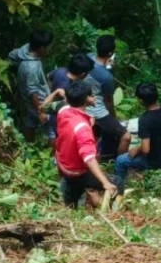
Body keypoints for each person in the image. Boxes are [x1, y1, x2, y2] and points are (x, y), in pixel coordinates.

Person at [113, 83, 161, 199]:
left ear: (140, 100)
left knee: (120, 161)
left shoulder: (145, 120)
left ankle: (118, 192)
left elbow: (145, 149)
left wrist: (137, 149)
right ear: (157, 96)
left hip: (156, 159)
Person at [55, 81, 117, 209]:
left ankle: (70, 198)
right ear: (87, 99)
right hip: (76, 171)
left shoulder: (63, 110)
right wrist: (105, 183)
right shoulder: (83, 129)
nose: (94, 97)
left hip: (62, 161)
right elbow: (89, 158)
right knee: (118, 183)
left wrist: (87, 121)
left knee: (70, 193)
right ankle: (93, 202)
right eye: (92, 95)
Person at [8, 30, 54, 140]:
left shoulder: (24, 51)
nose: (50, 49)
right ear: (42, 48)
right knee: (53, 133)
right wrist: (40, 111)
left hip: (30, 103)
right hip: (40, 103)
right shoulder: (31, 67)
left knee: (30, 123)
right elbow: (32, 91)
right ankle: (52, 156)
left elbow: (11, 56)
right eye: (49, 46)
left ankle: (29, 145)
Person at [88, 35, 127, 160]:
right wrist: (113, 117)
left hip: (83, 103)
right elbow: (108, 101)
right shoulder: (106, 77)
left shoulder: (88, 57)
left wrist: (107, 67)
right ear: (110, 52)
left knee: (97, 135)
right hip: (97, 111)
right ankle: (121, 165)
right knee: (126, 136)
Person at [45, 53, 95, 145]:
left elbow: (48, 76)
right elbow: (72, 105)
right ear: (83, 74)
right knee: (58, 138)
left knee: (53, 134)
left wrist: (52, 91)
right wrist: (87, 101)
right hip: (58, 116)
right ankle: (54, 155)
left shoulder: (61, 71)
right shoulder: (68, 87)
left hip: (54, 108)